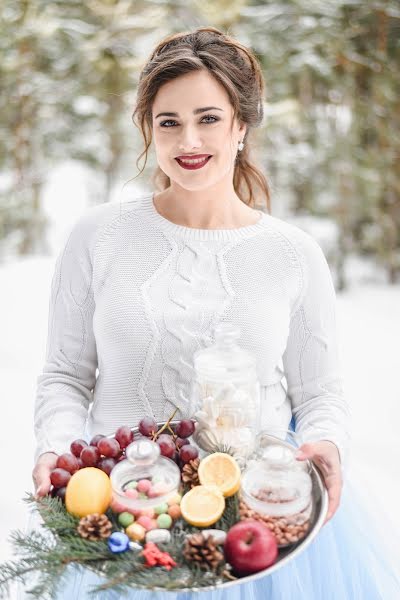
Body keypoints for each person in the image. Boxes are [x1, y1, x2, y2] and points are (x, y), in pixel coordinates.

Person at [28, 26, 400, 600]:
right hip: (127, 513)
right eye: (168, 121)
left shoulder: (292, 253)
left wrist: (326, 441)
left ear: (242, 125)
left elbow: (320, 393)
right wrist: (54, 448)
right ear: (148, 129)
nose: (187, 140)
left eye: (208, 118)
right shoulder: (96, 237)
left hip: (258, 520)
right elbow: (66, 375)